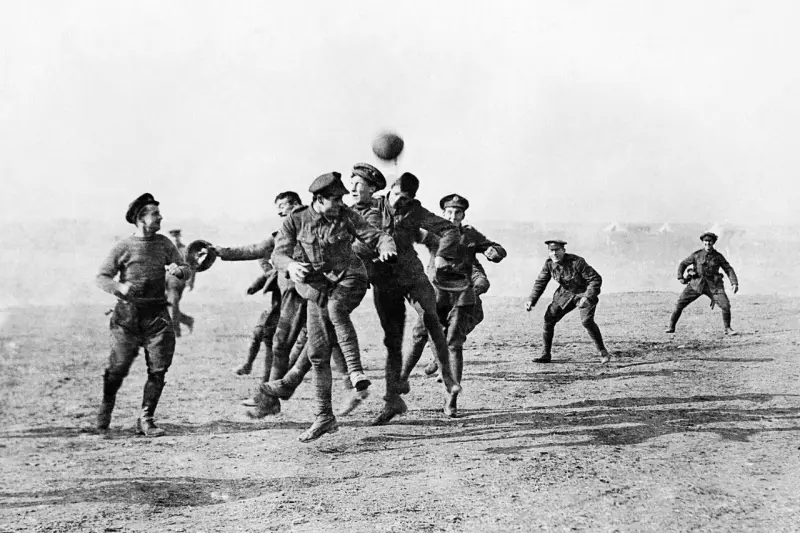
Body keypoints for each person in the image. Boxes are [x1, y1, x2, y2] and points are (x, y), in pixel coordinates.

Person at [262, 172, 396, 442]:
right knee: (318, 354)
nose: (340, 203)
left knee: (336, 311)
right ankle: (324, 416)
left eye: (342, 198)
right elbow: (278, 253)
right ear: (318, 199)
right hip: (318, 289)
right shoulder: (296, 219)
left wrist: (386, 247)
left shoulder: (346, 215)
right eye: (335, 199)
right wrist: (290, 265)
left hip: (350, 279)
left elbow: (376, 235)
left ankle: (356, 371)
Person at [366, 173, 463, 425]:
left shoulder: (415, 210)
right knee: (393, 341)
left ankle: (449, 379)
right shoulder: (371, 205)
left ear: (413, 198)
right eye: (397, 196)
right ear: (391, 190)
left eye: (406, 199)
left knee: (431, 318)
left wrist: (442, 254)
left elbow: (449, 229)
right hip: (384, 280)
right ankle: (392, 401)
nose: (400, 203)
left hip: (411, 274)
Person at [95, 193, 193, 437]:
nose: (161, 218)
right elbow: (102, 277)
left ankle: (146, 419)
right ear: (141, 218)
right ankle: (106, 408)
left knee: (158, 368)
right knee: (117, 368)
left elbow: (185, 269)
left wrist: (178, 270)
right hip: (127, 317)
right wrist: (120, 288)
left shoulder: (164, 243)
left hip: (157, 314)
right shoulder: (123, 247)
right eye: (155, 214)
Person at [401, 193, 507, 417]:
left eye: (457, 213)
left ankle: (452, 399)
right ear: (442, 214)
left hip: (461, 296)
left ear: (463, 215)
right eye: (449, 212)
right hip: (435, 295)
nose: (453, 216)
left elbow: (496, 248)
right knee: (419, 335)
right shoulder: (433, 233)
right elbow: (408, 235)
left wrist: (494, 252)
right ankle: (401, 379)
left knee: (454, 344)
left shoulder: (469, 234)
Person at [525, 240, 611, 364]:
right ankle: (546, 354)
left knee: (586, 321)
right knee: (549, 318)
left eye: (557, 250)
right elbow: (541, 282)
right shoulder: (549, 264)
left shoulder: (577, 262)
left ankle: (603, 352)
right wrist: (531, 300)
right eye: (551, 251)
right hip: (565, 294)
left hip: (584, 292)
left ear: (563, 251)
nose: (554, 254)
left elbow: (595, 279)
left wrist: (587, 297)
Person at [666, 232, 739, 335]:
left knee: (725, 305)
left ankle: (727, 328)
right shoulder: (697, 255)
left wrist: (734, 283)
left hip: (713, 286)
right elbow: (683, 264)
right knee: (679, 304)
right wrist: (680, 277)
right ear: (703, 242)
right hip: (696, 284)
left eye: (710, 241)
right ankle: (671, 326)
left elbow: (728, 268)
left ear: (713, 242)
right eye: (706, 241)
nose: (708, 243)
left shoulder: (718, 256)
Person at [165, 229, 195, 337]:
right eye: (172, 237)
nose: (175, 239)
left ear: (179, 237)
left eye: (176, 237)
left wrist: (190, 283)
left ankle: (176, 332)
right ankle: (188, 321)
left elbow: (191, 267)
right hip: (165, 283)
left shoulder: (185, 251)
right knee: (165, 306)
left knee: (172, 305)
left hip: (177, 283)